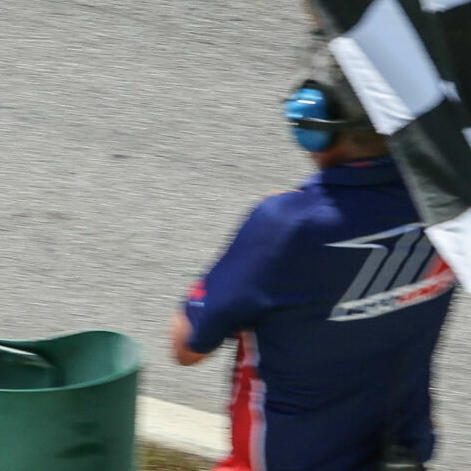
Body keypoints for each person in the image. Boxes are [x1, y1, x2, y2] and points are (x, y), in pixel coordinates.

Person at [171, 61, 455, 471]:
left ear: (316, 126)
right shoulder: (454, 212)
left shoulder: (286, 226)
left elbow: (186, 346)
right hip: (400, 455)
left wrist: (256, 247)